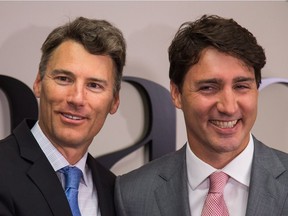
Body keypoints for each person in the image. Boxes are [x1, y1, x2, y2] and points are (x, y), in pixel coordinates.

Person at [114, 14, 288, 216]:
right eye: (208, 88)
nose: (229, 107)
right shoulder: (132, 196)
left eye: (241, 86)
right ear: (177, 93)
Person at [0, 16, 126, 216]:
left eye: (94, 85)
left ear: (114, 101)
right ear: (39, 83)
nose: (76, 99)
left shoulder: (115, 192)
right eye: (64, 79)